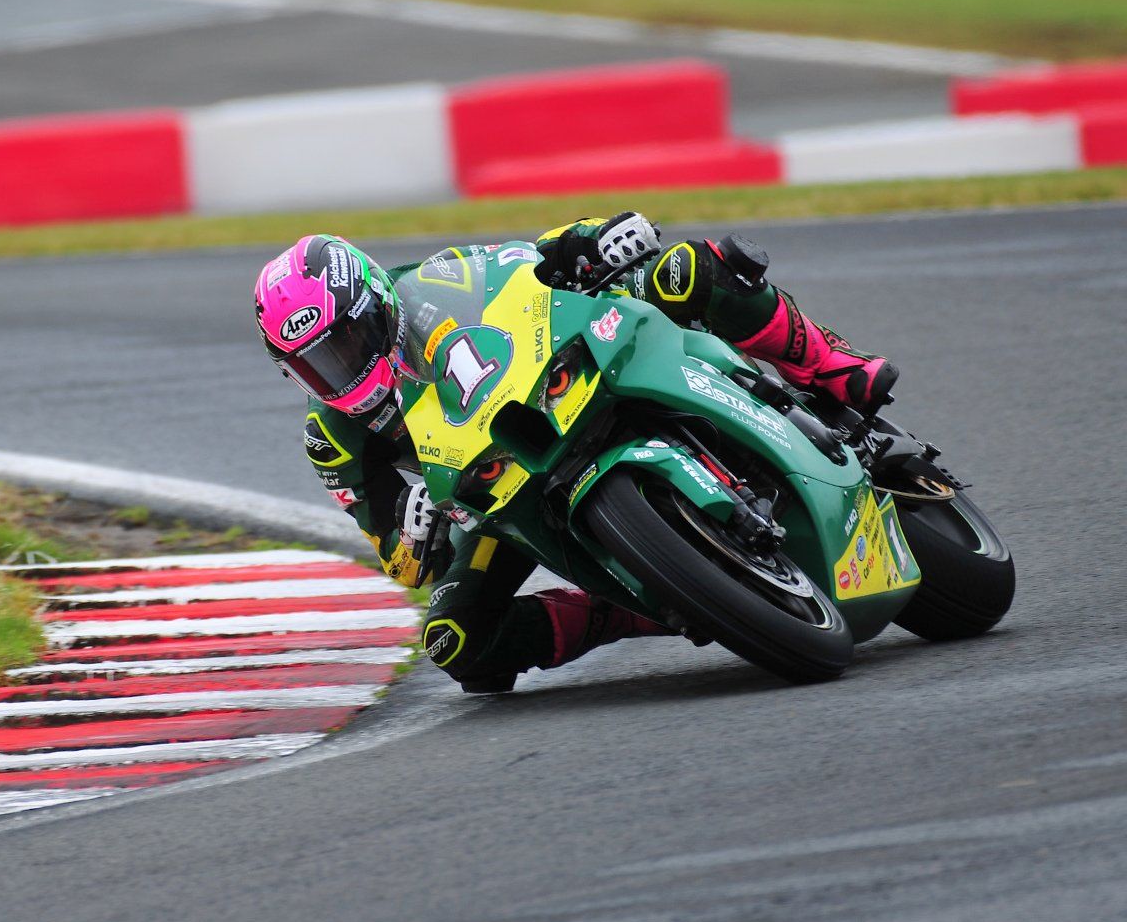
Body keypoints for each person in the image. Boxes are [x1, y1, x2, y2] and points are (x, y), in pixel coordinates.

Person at [252, 216, 896, 693]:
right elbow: (399, 560)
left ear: (374, 303)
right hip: (490, 493)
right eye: (314, 366)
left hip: (558, 380)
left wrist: (598, 238)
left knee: (682, 271)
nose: (338, 370)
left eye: (344, 343)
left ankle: (833, 368)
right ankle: (644, 601)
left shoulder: (434, 281)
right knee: (457, 643)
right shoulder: (331, 437)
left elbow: (529, 256)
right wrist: (415, 531)